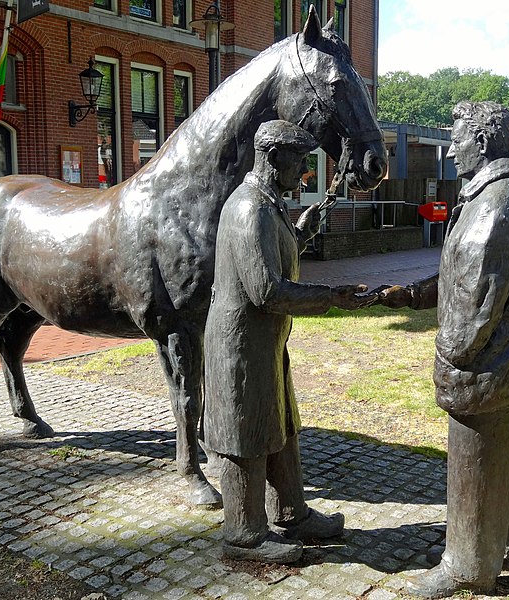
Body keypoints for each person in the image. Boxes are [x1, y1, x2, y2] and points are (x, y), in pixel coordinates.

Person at [379, 101, 509, 597]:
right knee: (504, 463)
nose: (451, 149)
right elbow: (472, 279)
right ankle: (500, 547)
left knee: (475, 466)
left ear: (484, 141)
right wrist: (416, 294)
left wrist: (445, 358)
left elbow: (470, 324)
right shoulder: (507, 194)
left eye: (459, 138)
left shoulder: (490, 211)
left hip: (485, 374)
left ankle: (468, 566)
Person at [202, 120, 377, 564]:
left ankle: (292, 512)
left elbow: (270, 255)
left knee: (281, 424)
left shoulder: (269, 204)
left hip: (266, 341)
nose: (302, 171)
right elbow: (266, 290)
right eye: (297, 161)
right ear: (272, 156)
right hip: (241, 345)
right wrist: (332, 297)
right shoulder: (248, 209)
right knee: (249, 432)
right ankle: (243, 536)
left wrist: (300, 231)